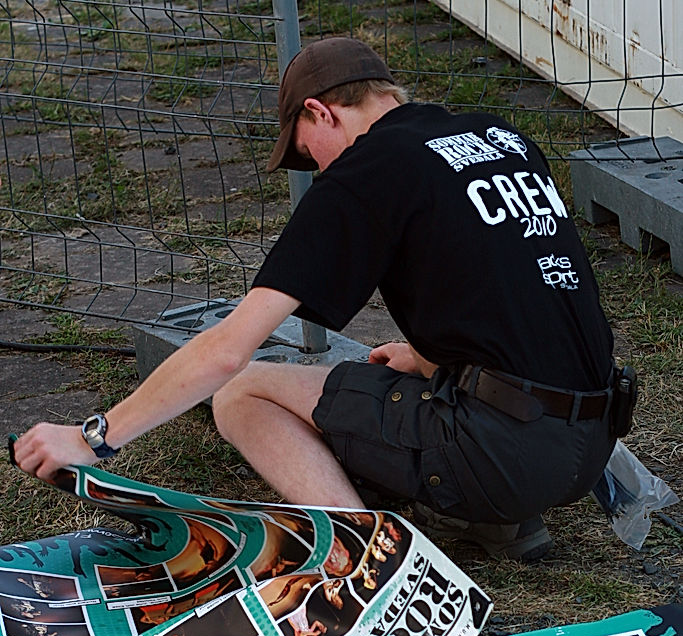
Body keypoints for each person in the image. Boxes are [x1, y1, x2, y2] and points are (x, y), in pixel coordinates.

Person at [13, 37, 619, 562]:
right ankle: (496, 515)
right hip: (592, 444)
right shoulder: (497, 138)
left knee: (244, 393)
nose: (316, 170)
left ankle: (365, 549)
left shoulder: (367, 170)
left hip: (502, 451)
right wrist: (427, 355)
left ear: (319, 112)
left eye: (306, 153)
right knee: (407, 387)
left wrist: (94, 436)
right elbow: (524, 286)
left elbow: (229, 349)